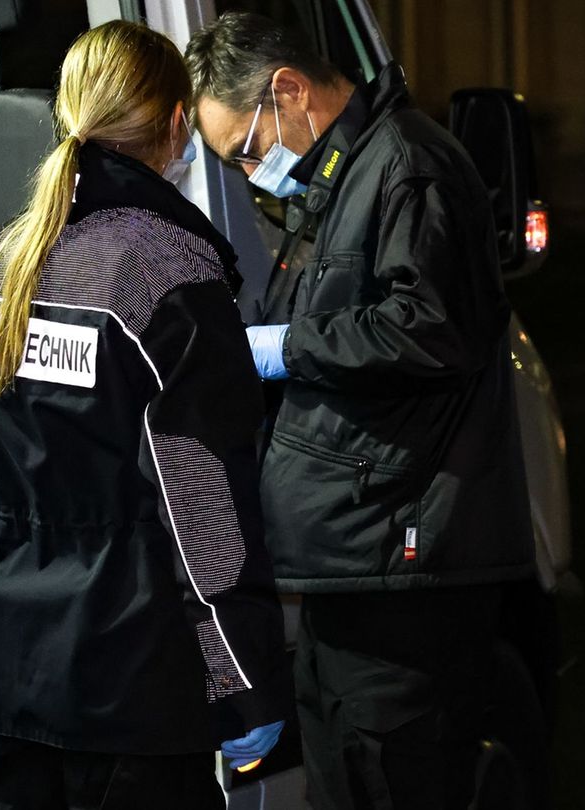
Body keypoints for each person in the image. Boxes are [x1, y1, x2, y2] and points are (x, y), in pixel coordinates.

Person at [0, 21, 291, 810]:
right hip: (135, 694)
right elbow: (205, 521)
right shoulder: (168, 278)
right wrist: (243, 684)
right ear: (175, 127)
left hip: (10, 689)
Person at [187, 13, 550, 809]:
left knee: (397, 778)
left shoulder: (406, 168)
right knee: (346, 778)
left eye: (246, 148)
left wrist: (280, 348)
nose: (251, 172)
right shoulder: (342, 180)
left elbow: (428, 329)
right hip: (356, 556)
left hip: (404, 558)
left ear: (289, 91)